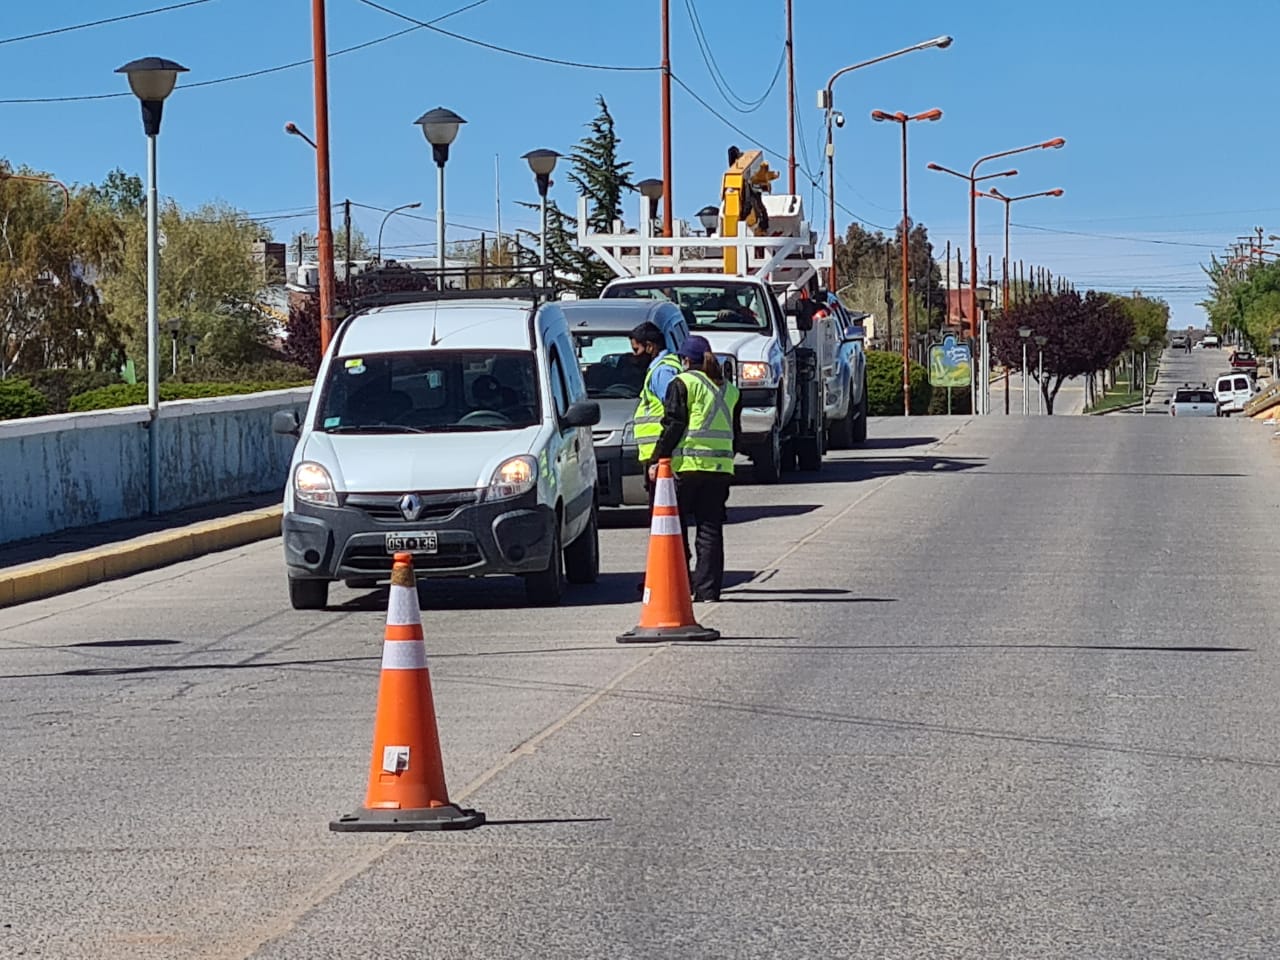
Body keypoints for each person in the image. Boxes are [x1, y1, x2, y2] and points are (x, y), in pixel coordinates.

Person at [651, 335, 742, 602]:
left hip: (685, 467)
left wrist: (659, 458)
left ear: (686, 360)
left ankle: (678, 585)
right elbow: (736, 435)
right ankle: (708, 591)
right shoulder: (731, 390)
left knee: (674, 529)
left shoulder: (683, 383)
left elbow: (673, 425)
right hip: (720, 468)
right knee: (710, 529)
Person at [630, 320, 682, 507]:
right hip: (658, 453)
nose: (634, 356)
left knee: (664, 515)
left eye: (636, 350)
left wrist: (660, 455)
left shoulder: (662, 372)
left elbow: (673, 412)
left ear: (650, 347)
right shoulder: (661, 369)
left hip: (660, 454)